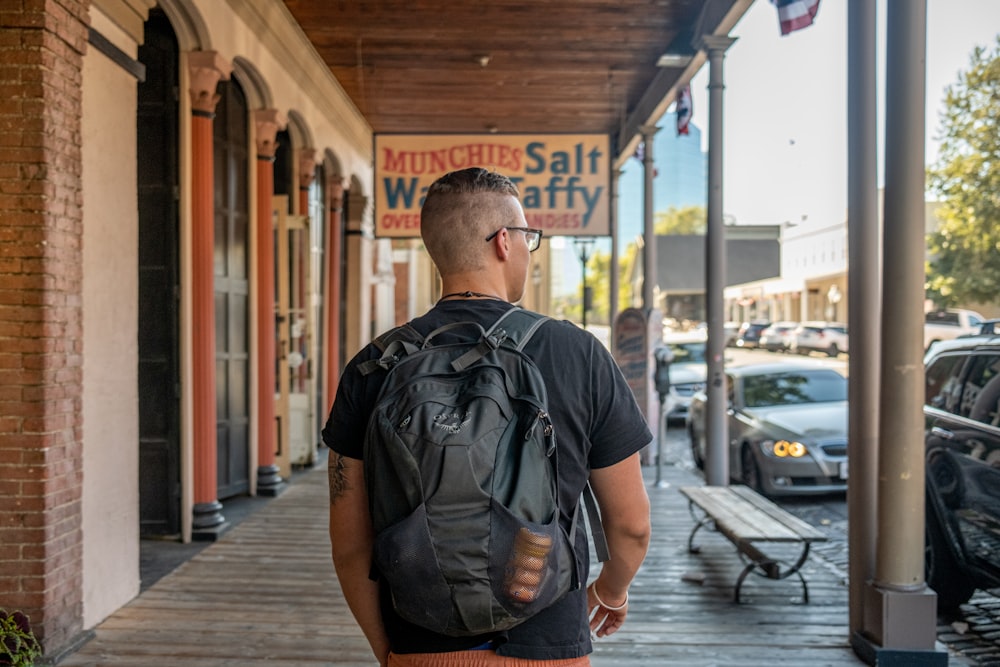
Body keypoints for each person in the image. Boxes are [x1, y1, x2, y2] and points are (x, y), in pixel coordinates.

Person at [323, 167, 652, 667]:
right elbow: (630, 525)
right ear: (504, 241)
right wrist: (611, 591)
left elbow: (350, 545)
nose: (527, 249)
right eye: (527, 238)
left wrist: (387, 649)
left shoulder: (374, 365)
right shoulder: (576, 353)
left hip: (420, 642)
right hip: (548, 645)